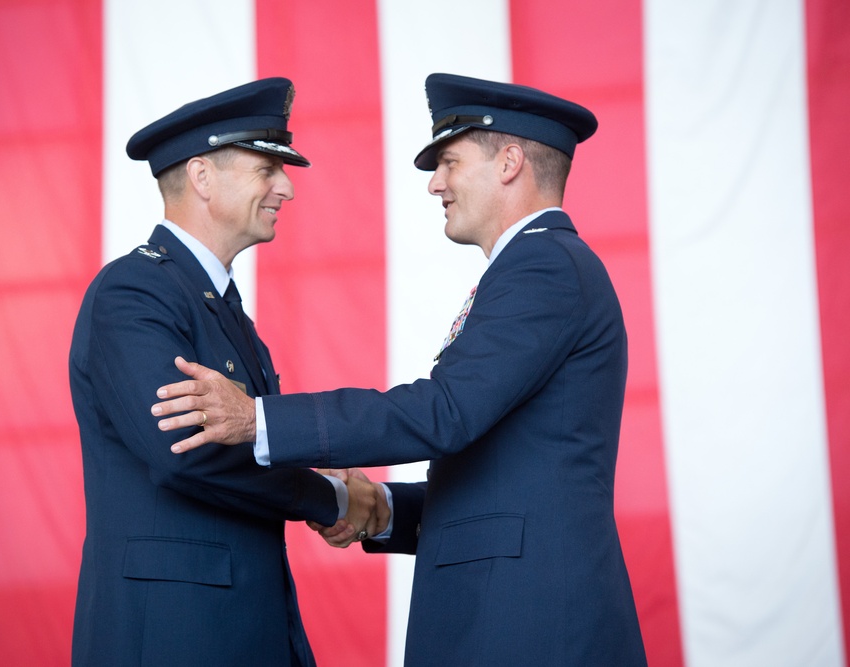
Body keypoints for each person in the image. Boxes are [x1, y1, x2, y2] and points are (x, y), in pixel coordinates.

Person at [150, 73, 647, 665]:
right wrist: (384, 510)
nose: (436, 183)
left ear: (510, 161)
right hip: (513, 615)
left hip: (531, 625)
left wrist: (257, 419)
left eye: (451, 162)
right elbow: (501, 476)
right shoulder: (539, 266)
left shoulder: (543, 266)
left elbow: (445, 413)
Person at [68, 77, 383, 666]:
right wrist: (328, 498)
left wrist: (303, 461)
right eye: (267, 169)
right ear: (202, 177)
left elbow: (247, 440)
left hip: (237, 625)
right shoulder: (135, 291)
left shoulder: (214, 302)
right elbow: (186, 450)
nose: (286, 187)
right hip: (172, 635)